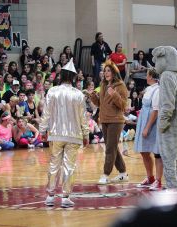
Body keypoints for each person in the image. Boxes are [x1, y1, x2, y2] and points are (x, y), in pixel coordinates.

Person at [39, 58, 89, 208]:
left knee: (54, 164)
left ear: (61, 76)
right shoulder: (78, 94)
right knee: (69, 166)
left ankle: (50, 195)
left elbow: (46, 113)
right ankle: (66, 197)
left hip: (55, 134)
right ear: (73, 77)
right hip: (73, 136)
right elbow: (83, 117)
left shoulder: (52, 92)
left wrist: (42, 130)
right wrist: (86, 134)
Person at [152, 46, 177, 191]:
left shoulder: (166, 76)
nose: (155, 64)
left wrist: (163, 124)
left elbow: (167, 105)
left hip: (171, 127)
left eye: (157, 60)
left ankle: (172, 189)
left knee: (169, 159)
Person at [89, 60, 129, 185]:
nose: (106, 73)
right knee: (113, 147)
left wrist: (115, 95)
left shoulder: (120, 85)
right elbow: (100, 104)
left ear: (114, 72)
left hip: (116, 121)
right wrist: (93, 96)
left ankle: (106, 174)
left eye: (108, 71)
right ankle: (123, 173)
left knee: (110, 148)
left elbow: (123, 105)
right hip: (104, 120)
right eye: (104, 71)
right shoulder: (103, 85)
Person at [133, 68, 163, 190]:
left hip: (152, 124)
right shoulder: (149, 89)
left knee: (157, 152)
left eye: (147, 75)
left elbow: (155, 111)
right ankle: (150, 177)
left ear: (151, 76)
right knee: (143, 150)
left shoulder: (158, 90)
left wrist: (147, 127)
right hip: (143, 121)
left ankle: (158, 180)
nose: (146, 77)